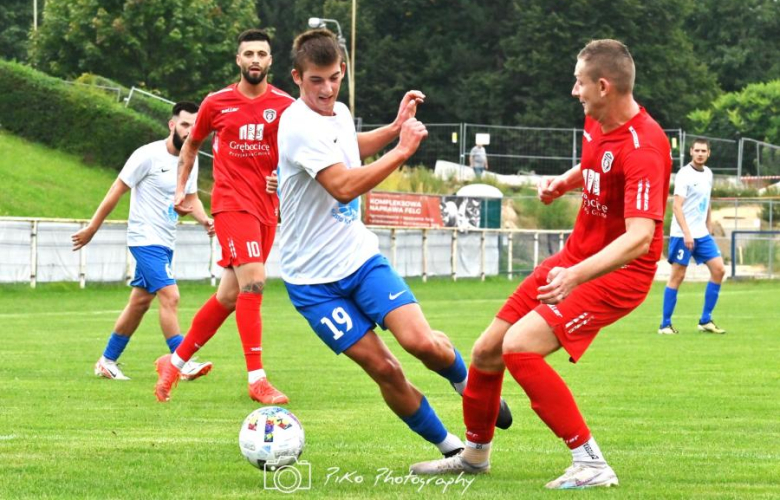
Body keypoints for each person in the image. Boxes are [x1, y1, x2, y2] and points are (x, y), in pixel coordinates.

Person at [411, 39, 672, 489]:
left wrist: (574, 276)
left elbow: (640, 239)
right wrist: (564, 183)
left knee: (520, 345)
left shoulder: (645, 146)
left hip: (618, 274)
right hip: (574, 258)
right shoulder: (597, 121)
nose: (574, 90)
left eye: (579, 82)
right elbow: (595, 165)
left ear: (604, 86)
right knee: (486, 351)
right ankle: (474, 457)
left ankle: (591, 463)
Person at [276, 29, 512, 458]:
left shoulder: (340, 113)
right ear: (297, 77)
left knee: (421, 342)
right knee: (385, 367)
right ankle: (450, 448)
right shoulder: (295, 125)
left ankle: (470, 388)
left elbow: (350, 150)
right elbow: (344, 186)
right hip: (312, 284)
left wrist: (393, 128)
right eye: (316, 80)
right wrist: (402, 150)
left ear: (342, 72)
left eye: (333, 78)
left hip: (360, 260)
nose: (326, 89)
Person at [154, 29, 295, 403]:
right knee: (254, 282)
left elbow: (296, 154)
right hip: (231, 204)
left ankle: (175, 362)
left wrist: (283, 177)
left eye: (261, 54)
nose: (254, 59)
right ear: (238, 60)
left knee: (230, 296)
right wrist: (182, 189)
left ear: (270, 61)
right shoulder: (216, 103)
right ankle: (257, 379)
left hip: (267, 209)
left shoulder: (285, 105)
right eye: (248, 53)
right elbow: (191, 146)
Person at [72, 102, 215, 381]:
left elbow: (190, 197)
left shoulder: (191, 159)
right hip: (144, 239)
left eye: (195, 126)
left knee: (139, 303)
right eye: (185, 124)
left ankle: (107, 361)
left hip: (165, 241)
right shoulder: (147, 155)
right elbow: (117, 189)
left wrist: (205, 220)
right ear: (172, 125)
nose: (190, 131)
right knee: (171, 296)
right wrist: (92, 227)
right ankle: (180, 361)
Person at [659, 139, 726, 335]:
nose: (700, 154)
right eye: (697, 150)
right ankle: (665, 324)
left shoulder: (708, 173)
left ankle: (705, 320)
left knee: (719, 270)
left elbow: (706, 200)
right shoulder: (684, 174)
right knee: (677, 276)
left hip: (702, 234)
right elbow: (677, 206)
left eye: (703, 151)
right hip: (682, 234)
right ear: (691, 152)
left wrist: (709, 223)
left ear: (708, 153)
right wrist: (687, 233)